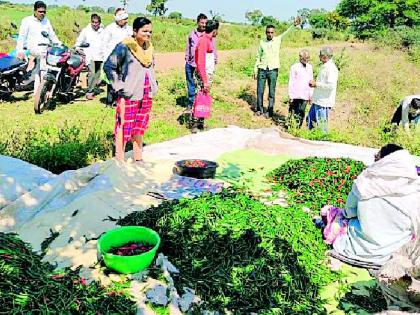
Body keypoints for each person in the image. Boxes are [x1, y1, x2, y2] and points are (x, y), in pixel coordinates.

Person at [323, 144, 420, 268]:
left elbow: (349, 213)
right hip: (390, 255)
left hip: (354, 249)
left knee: (334, 214)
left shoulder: (364, 183)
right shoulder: (415, 189)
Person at [104, 17, 158, 162]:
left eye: (150, 31)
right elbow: (109, 66)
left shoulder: (149, 47)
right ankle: (119, 159)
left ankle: (138, 158)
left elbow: (152, 68)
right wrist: (120, 87)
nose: (148, 34)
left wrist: (154, 84)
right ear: (135, 31)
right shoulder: (124, 47)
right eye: (144, 31)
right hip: (129, 94)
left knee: (140, 126)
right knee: (124, 126)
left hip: (146, 93)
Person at [253, 18, 300, 118]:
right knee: (260, 90)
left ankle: (270, 111)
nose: (269, 34)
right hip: (262, 68)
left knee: (271, 91)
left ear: (274, 33)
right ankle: (259, 109)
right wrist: (255, 69)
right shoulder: (262, 42)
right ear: (265, 32)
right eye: (268, 32)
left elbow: (287, 33)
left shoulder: (278, 40)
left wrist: (294, 25)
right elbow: (258, 56)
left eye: (271, 32)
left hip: (273, 70)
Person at [16, 1, 61, 92]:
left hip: (46, 49)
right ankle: (40, 89)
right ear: (34, 11)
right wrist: (19, 51)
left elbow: (52, 35)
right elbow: (22, 37)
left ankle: (43, 88)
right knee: (42, 68)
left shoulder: (46, 21)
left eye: (44, 12)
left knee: (55, 61)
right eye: (40, 12)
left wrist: (59, 44)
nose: (42, 14)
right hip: (34, 49)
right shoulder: (27, 21)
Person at [192, 19, 219, 133]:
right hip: (203, 75)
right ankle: (194, 124)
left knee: (204, 98)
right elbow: (200, 62)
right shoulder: (203, 41)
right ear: (214, 30)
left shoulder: (210, 40)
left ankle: (201, 124)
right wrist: (205, 80)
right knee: (199, 98)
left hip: (207, 74)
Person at [101, 8, 133, 107]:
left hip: (125, 59)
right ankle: (110, 102)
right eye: (124, 19)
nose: (126, 21)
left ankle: (118, 101)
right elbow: (104, 44)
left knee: (122, 79)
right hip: (112, 59)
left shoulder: (129, 29)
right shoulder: (110, 29)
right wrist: (105, 59)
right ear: (118, 19)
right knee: (112, 80)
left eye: (127, 18)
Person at [307, 47, 339, 133]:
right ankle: (311, 139)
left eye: (320, 55)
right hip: (317, 100)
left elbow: (330, 86)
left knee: (322, 126)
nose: (319, 57)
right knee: (310, 120)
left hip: (323, 102)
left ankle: (323, 142)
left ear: (325, 57)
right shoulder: (324, 66)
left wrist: (316, 84)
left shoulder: (331, 68)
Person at [185, 13, 212, 110]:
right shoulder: (192, 34)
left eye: (205, 23)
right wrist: (187, 58)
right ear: (197, 22)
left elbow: (212, 49)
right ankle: (190, 103)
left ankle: (200, 105)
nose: (204, 25)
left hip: (201, 65)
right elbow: (188, 46)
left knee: (201, 85)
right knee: (191, 83)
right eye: (202, 22)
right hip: (190, 63)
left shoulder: (207, 36)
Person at [75, 14, 104, 100]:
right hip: (90, 55)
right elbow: (79, 41)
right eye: (93, 22)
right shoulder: (86, 31)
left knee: (97, 74)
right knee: (92, 72)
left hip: (100, 55)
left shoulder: (103, 31)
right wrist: (77, 47)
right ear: (91, 22)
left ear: (99, 23)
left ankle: (92, 88)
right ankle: (89, 92)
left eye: (96, 22)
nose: (95, 24)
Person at [288, 49, 313, 127]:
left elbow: (311, 81)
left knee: (301, 112)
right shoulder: (294, 67)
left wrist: (311, 95)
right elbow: (291, 81)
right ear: (300, 58)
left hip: (305, 94)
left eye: (307, 58)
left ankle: (298, 128)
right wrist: (290, 95)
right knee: (293, 111)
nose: (306, 60)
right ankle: (290, 126)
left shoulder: (310, 67)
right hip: (295, 94)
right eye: (304, 58)